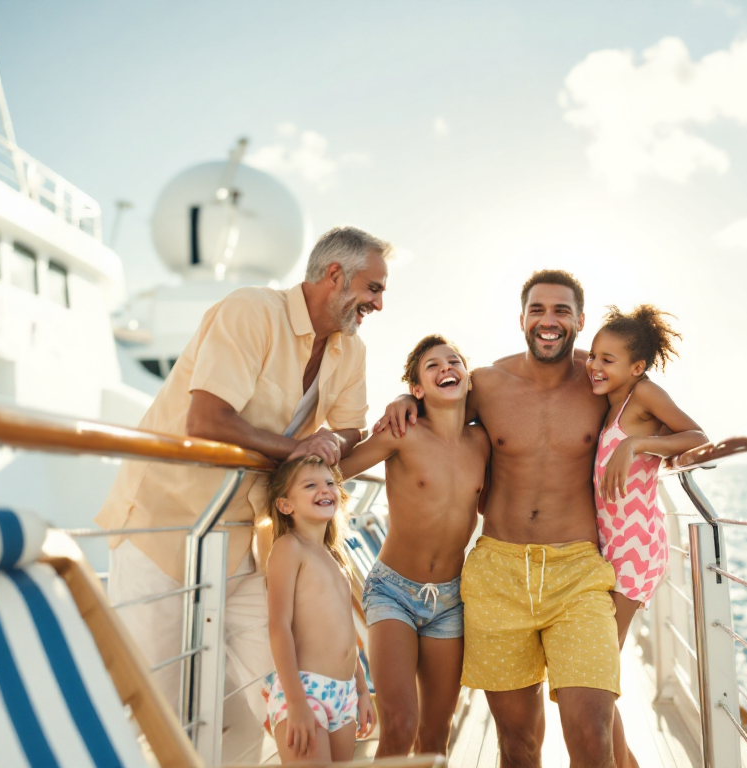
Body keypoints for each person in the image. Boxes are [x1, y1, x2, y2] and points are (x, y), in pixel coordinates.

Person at [95, 226, 391, 759]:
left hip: (247, 540)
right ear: (334, 276)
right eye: (373, 288)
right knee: (150, 703)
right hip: (162, 527)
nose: (379, 303)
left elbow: (350, 429)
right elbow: (207, 420)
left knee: (287, 698)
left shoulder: (351, 351)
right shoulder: (251, 311)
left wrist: (332, 441)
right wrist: (299, 447)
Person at [376, 271, 629, 768]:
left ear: (580, 319)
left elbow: (658, 411)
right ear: (522, 319)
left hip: (576, 574)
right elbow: (438, 403)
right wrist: (405, 399)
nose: (549, 320)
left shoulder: (600, 381)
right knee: (517, 744)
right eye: (538, 310)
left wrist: (647, 444)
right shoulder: (488, 383)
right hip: (498, 574)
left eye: (561, 310)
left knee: (592, 736)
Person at [339, 335, 490, 757]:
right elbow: (335, 472)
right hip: (393, 592)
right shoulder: (402, 433)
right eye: (432, 366)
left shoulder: (482, 442)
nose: (446, 368)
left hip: (450, 600)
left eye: (454, 361)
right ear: (418, 389)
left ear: (467, 378)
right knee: (400, 728)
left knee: (436, 736)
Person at [587, 305, 707, 649]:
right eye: (593, 356)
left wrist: (637, 444)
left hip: (635, 544)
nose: (594, 366)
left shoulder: (643, 393)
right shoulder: (611, 403)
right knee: (603, 649)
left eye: (607, 360)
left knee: (604, 648)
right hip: (611, 543)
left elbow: (699, 438)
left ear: (637, 368)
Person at [264, 456, 376, 763]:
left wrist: (362, 691)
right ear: (286, 505)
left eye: (329, 483)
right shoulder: (289, 548)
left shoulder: (334, 555)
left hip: (344, 693)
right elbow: (279, 627)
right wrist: (295, 702)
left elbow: (346, 632)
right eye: (310, 485)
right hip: (305, 691)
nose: (324, 489)